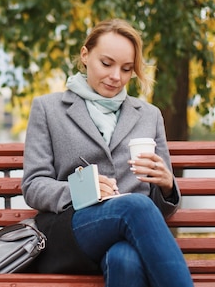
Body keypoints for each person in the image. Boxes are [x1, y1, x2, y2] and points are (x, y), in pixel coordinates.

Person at [21, 19, 193, 287]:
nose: (116, 77)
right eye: (107, 63)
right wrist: (81, 190)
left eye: (126, 69)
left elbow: (158, 211)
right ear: (85, 55)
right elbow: (33, 186)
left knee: (125, 260)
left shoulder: (149, 115)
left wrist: (168, 186)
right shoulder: (49, 108)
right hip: (72, 232)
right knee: (135, 206)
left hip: (129, 235)